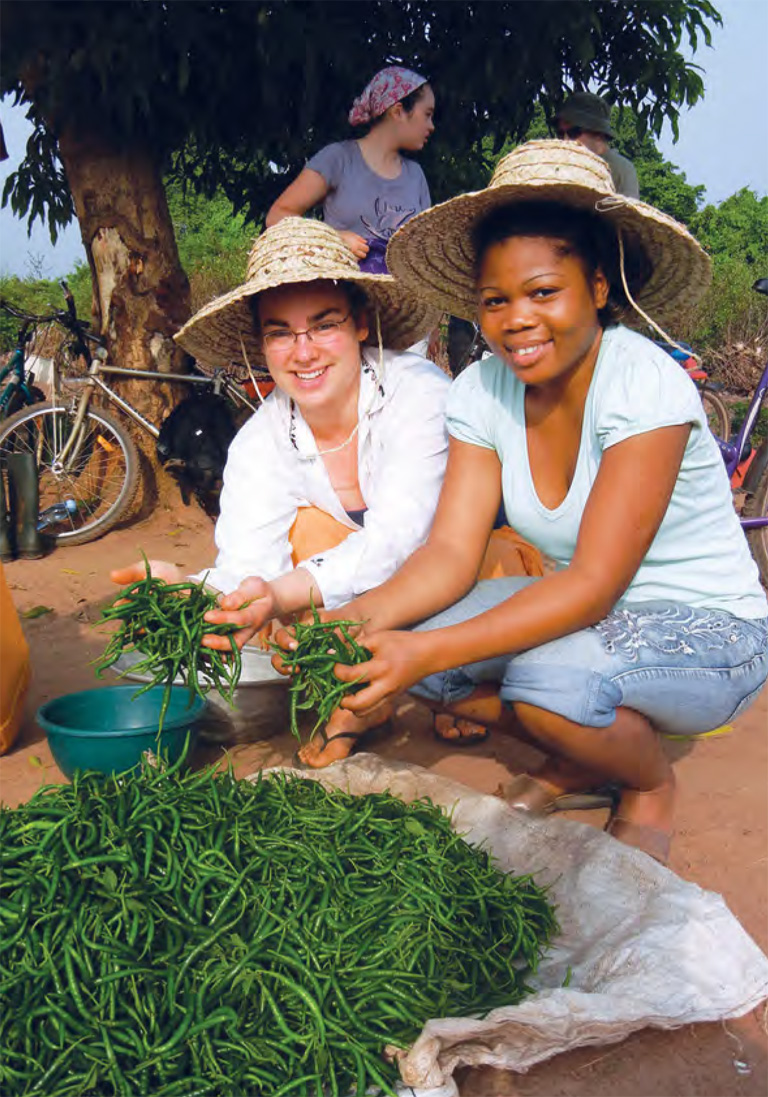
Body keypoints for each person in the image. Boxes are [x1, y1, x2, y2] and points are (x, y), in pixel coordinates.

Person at [304, 140, 768, 864]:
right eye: (496, 300)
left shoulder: (642, 384)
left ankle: (646, 782)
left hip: (710, 632)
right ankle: (583, 752)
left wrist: (423, 644)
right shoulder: (481, 391)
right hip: (595, 620)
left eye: (543, 292)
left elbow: (591, 585)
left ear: (599, 288)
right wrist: (340, 624)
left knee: (536, 677)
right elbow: (452, 554)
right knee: (411, 647)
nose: (517, 318)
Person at [110, 217, 448, 766]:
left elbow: (402, 541)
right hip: (366, 598)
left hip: (457, 573)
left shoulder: (418, 396)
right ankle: (368, 696)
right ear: (261, 345)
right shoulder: (261, 440)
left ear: (361, 324)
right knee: (300, 542)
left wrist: (280, 595)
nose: (303, 351)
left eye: (323, 325)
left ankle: (454, 683)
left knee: (492, 561)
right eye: (280, 332)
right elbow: (249, 564)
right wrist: (197, 595)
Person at [265, 67, 435, 273]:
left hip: (400, 303)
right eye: (427, 114)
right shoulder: (338, 159)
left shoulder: (416, 176)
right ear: (398, 111)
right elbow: (277, 216)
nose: (431, 126)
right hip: (344, 297)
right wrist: (332, 239)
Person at [553, 92, 639, 199]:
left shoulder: (620, 169)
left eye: (573, 132)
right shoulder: (557, 166)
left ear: (598, 133)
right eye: (561, 134)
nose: (565, 140)